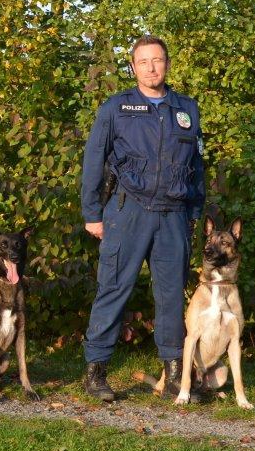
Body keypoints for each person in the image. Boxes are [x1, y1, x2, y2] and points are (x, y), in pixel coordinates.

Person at [80, 35, 205, 402]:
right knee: (113, 288)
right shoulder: (116, 108)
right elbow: (94, 159)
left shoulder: (187, 109)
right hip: (127, 210)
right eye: (144, 61)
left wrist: (194, 214)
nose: (152, 68)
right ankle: (96, 371)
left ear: (167, 64)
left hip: (173, 215)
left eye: (158, 60)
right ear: (133, 67)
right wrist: (92, 213)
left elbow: (197, 166)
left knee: (171, 295)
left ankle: (175, 377)